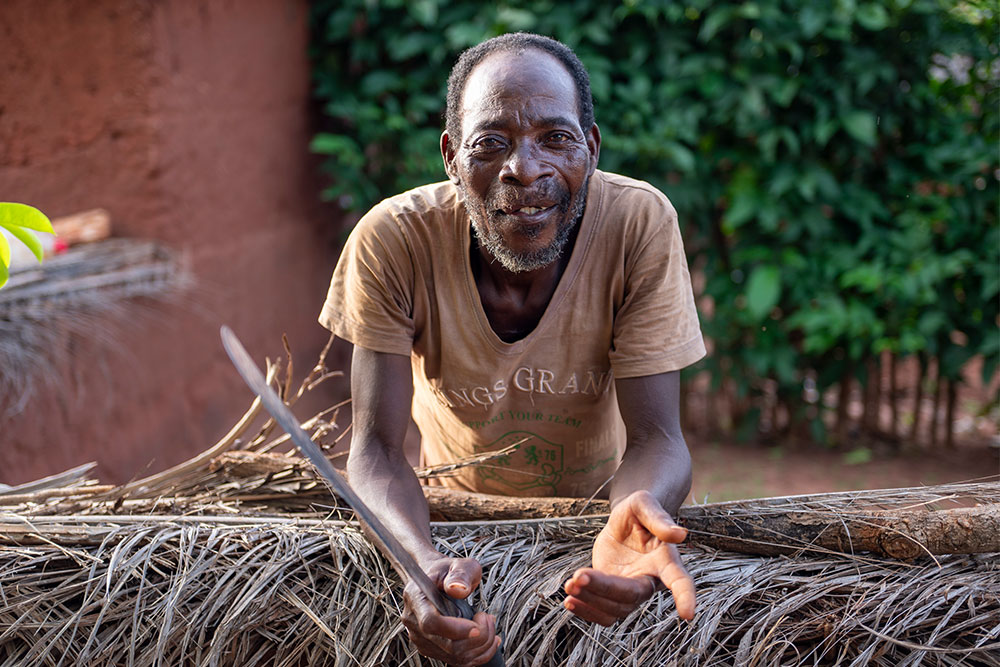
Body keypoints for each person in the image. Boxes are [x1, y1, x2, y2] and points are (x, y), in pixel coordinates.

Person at [319, 32, 705, 666]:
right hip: (455, 533)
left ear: (593, 147)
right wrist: (420, 565)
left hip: (596, 524)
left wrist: (641, 512)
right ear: (450, 156)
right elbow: (376, 450)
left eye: (555, 138)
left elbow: (657, 440)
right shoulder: (393, 241)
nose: (524, 169)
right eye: (490, 143)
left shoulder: (638, 224)